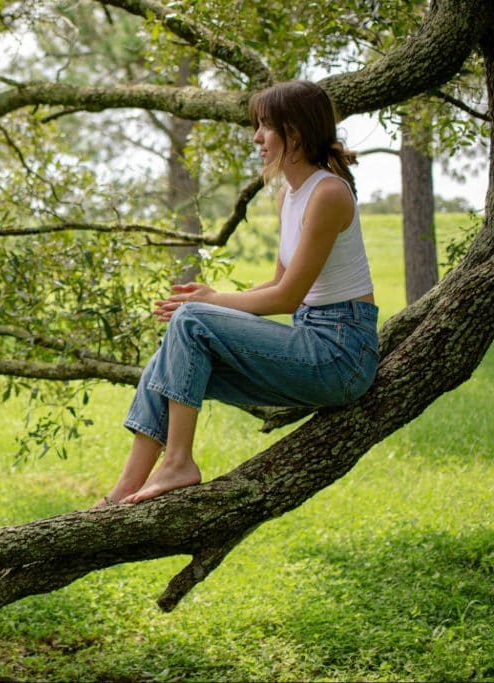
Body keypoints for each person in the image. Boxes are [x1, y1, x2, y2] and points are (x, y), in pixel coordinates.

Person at [98, 80, 379, 506]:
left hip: (341, 356)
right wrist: (213, 295)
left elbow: (286, 298)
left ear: (296, 133)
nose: (256, 137)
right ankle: (123, 491)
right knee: (171, 354)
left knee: (190, 322)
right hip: (313, 341)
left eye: (266, 126)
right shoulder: (291, 195)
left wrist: (204, 306)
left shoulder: (329, 193)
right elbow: (279, 284)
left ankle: (178, 462)